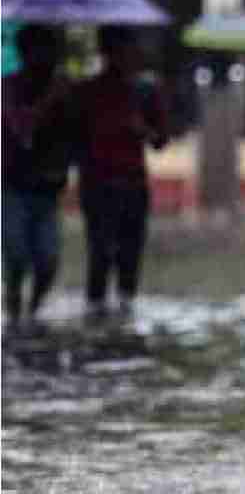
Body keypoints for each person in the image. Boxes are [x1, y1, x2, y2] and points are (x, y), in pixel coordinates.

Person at [75, 26, 169, 319]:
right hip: (97, 184)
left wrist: (143, 130)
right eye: (120, 50)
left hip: (133, 183)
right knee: (99, 251)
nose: (128, 57)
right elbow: (73, 138)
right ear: (107, 53)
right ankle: (96, 309)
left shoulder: (145, 91)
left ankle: (125, 308)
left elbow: (160, 140)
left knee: (130, 252)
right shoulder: (86, 92)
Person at [2, 25, 75, 332]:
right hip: (13, 187)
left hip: (48, 189)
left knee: (48, 261)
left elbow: (76, 134)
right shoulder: (8, 87)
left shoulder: (64, 89)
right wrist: (49, 100)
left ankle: (32, 311)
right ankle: (15, 305)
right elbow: (21, 130)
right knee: (17, 255)